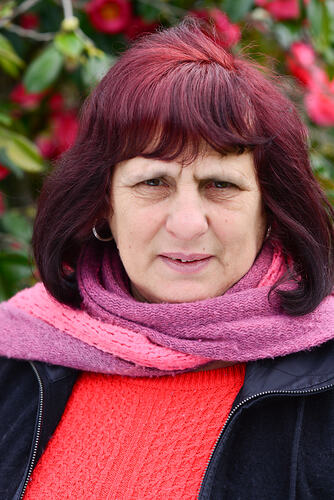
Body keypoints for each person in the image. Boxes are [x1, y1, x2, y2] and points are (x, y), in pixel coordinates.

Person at [1, 17, 334, 500]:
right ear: (105, 206)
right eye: (152, 183)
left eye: (220, 185)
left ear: (269, 211)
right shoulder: (18, 354)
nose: (186, 223)